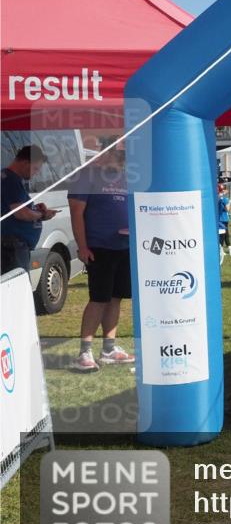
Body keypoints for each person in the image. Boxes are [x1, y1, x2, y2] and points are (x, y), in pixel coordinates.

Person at [68, 146, 134, 371]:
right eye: (117, 154)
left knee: (116, 297)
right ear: (104, 153)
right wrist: (82, 246)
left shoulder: (126, 177)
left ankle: (109, 348)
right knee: (99, 298)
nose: (121, 160)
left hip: (124, 246)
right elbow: (76, 212)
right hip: (99, 247)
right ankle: (84, 352)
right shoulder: (85, 175)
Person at [1, 146, 57, 274]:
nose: (36, 173)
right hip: (12, 247)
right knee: (17, 288)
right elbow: (20, 213)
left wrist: (34, 208)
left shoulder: (10, 178)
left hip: (14, 246)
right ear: (26, 163)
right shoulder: (10, 180)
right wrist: (42, 215)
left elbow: (17, 208)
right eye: (35, 168)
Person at [217, 184, 231, 257]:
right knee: (225, 235)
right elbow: (227, 209)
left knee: (222, 235)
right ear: (222, 190)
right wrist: (229, 202)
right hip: (224, 219)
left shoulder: (216, 198)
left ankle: (223, 249)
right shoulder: (224, 199)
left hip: (218, 219)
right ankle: (226, 249)